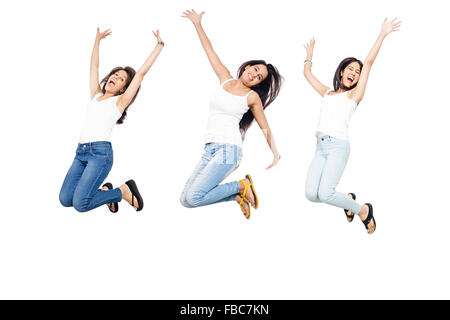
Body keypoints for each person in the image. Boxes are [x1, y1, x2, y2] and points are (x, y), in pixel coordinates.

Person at [179, 9, 282, 219]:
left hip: (229, 150)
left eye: (259, 77)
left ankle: (241, 185)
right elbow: (209, 51)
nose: (254, 74)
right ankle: (237, 195)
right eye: (254, 69)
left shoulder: (252, 97)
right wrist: (197, 23)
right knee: (186, 200)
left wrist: (275, 152)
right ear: (247, 66)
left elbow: (265, 127)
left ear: (258, 83)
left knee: (195, 196)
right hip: (210, 148)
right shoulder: (225, 78)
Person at [303, 18, 401, 234]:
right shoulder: (328, 93)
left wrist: (382, 34)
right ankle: (348, 201)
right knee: (312, 194)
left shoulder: (354, 95)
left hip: (338, 146)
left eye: (357, 72)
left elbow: (369, 63)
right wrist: (309, 56)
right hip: (320, 147)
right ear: (341, 72)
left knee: (326, 193)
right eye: (350, 69)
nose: (354, 73)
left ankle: (362, 210)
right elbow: (307, 75)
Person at [59, 27, 165, 213]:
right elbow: (94, 67)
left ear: (124, 88)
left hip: (100, 155)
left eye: (121, 78)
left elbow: (139, 74)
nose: (115, 77)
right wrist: (97, 41)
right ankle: (107, 192)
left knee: (80, 204)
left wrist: (159, 45)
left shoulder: (119, 102)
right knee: (65, 199)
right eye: (114, 75)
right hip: (81, 153)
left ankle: (122, 192)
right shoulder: (95, 95)